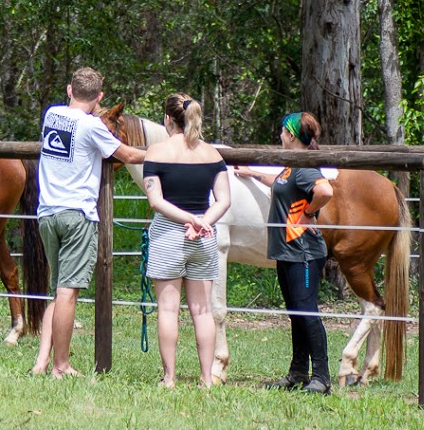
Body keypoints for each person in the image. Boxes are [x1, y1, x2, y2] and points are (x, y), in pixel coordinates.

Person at [31, 67, 146, 377]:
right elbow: (128, 156)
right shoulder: (93, 127)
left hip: (48, 214)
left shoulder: (52, 115)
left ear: (69, 90)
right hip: (77, 215)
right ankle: (61, 365)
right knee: (68, 291)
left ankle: (41, 362)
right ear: (99, 96)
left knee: (58, 289)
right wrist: (165, 152)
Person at [234, 112, 334, 394]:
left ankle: (322, 377)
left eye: (282, 132)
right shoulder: (292, 166)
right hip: (287, 252)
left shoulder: (305, 167)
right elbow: (282, 185)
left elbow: (325, 190)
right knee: (296, 313)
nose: (279, 136)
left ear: (291, 135)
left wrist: (308, 213)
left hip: (303, 253)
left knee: (307, 312)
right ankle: (299, 372)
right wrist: (253, 174)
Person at [142, 94, 231, 388]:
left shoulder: (156, 152)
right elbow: (224, 200)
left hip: (170, 234)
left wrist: (188, 221)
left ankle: (170, 378)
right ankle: (207, 378)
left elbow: (155, 201)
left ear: (168, 120)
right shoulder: (213, 155)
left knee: (168, 309)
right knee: (202, 310)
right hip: (204, 238)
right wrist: (201, 221)